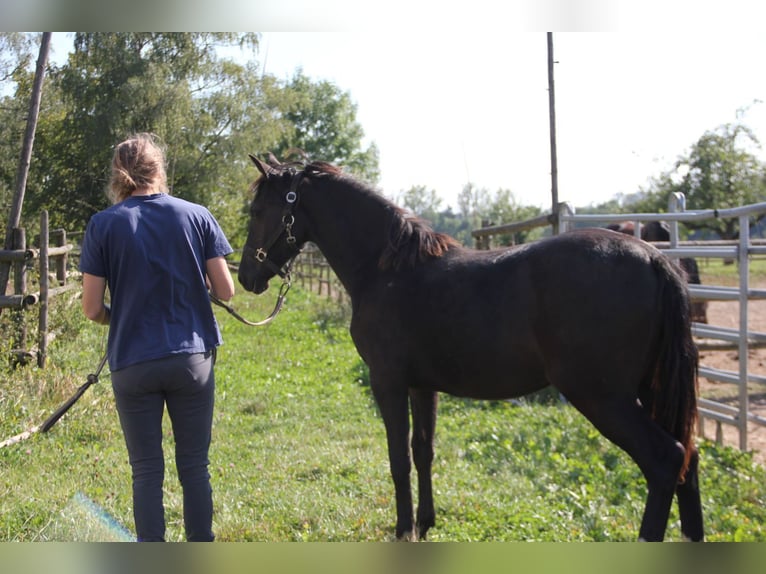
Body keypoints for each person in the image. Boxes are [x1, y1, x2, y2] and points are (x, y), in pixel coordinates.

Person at [79, 133, 235, 542]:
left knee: (146, 469)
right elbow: (225, 291)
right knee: (194, 466)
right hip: (191, 359)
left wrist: (122, 316)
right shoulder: (197, 214)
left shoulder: (101, 225)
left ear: (118, 174)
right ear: (158, 168)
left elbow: (92, 309)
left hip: (132, 360)